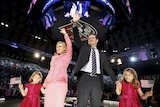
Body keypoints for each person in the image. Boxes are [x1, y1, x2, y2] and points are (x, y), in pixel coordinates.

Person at [72, 11, 117, 107]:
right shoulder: (83, 48)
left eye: (93, 38)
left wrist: (116, 80)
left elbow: (107, 68)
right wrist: (75, 23)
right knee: (81, 104)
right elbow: (76, 39)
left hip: (97, 80)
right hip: (84, 78)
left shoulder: (102, 54)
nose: (90, 39)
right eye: (89, 38)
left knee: (96, 104)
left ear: (97, 40)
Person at [43, 28, 72, 107]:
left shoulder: (67, 56)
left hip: (60, 84)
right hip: (50, 84)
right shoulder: (53, 58)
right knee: (48, 104)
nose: (58, 48)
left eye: (60, 46)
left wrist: (65, 34)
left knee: (58, 105)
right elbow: (51, 70)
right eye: (57, 46)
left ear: (64, 49)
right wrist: (46, 82)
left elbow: (69, 45)